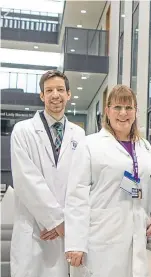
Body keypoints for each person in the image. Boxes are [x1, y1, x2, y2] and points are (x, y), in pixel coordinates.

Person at [64, 85, 151, 277]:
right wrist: (75, 243)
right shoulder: (90, 144)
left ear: (135, 112)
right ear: (107, 111)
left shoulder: (144, 146)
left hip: (136, 234)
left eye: (129, 108)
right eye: (117, 107)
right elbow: (76, 196)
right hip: (100, 238)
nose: (123, 113)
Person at [10, 70, 85, 277]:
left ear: (68, 94)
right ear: (42, 96)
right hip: (35, 230)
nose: (55, 95)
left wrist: (66, 224)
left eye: (60, 90)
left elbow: (81, 183)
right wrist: (57, 222)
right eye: (49, 90)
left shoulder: (79, 135)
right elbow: (26, 180)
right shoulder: (22, 131)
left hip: (67, 232)